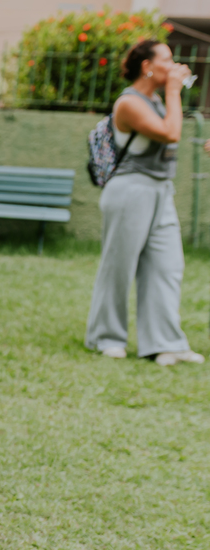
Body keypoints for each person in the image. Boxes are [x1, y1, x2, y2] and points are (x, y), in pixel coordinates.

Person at [85, 39, 204, 367]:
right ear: (147, 66)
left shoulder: (159, 100)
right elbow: (170, 133)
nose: (174, 65)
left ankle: (165, 344)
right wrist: (175, 90)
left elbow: (173, 129)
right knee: (119, 266)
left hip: (161, 191)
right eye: (167, 60)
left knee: (167, 267)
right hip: (130, 190)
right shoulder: (129, 103)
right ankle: (106, 337)